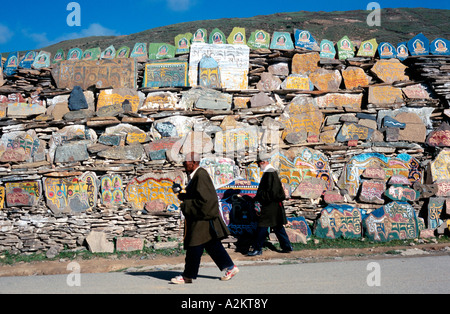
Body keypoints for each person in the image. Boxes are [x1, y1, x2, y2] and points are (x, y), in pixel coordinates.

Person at [171, 152, 239, 284]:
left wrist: (187, 206)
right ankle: (230, 267)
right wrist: (181, 193)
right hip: (202, 218)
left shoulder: (201, 175)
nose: (184, 164)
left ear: (193, 163)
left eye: (186, 162)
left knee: (194, 247)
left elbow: (207, 200)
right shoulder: (196, 175)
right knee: (212, 245)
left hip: (202, 219)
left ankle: (187, 276)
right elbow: (197, 196)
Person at [248, 154, 293, 256]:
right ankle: (287, 246)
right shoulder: (270, 172)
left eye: (259, 164)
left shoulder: (270, 173)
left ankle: (257, 249)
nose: (259, 166)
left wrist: (260, 197)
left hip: (269, 206)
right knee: (277, 227)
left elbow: (271, 192)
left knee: (262, 227)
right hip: (274, 205)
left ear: (263, 162)